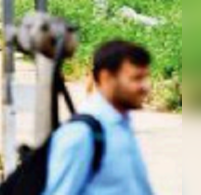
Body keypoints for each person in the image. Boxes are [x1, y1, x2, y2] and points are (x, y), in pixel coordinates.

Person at [44, 41, 155, 195]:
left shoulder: (121, 124)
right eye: (136, 78)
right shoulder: (80, 135)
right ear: (106, 78)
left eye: (146, 77)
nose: (145, 86)